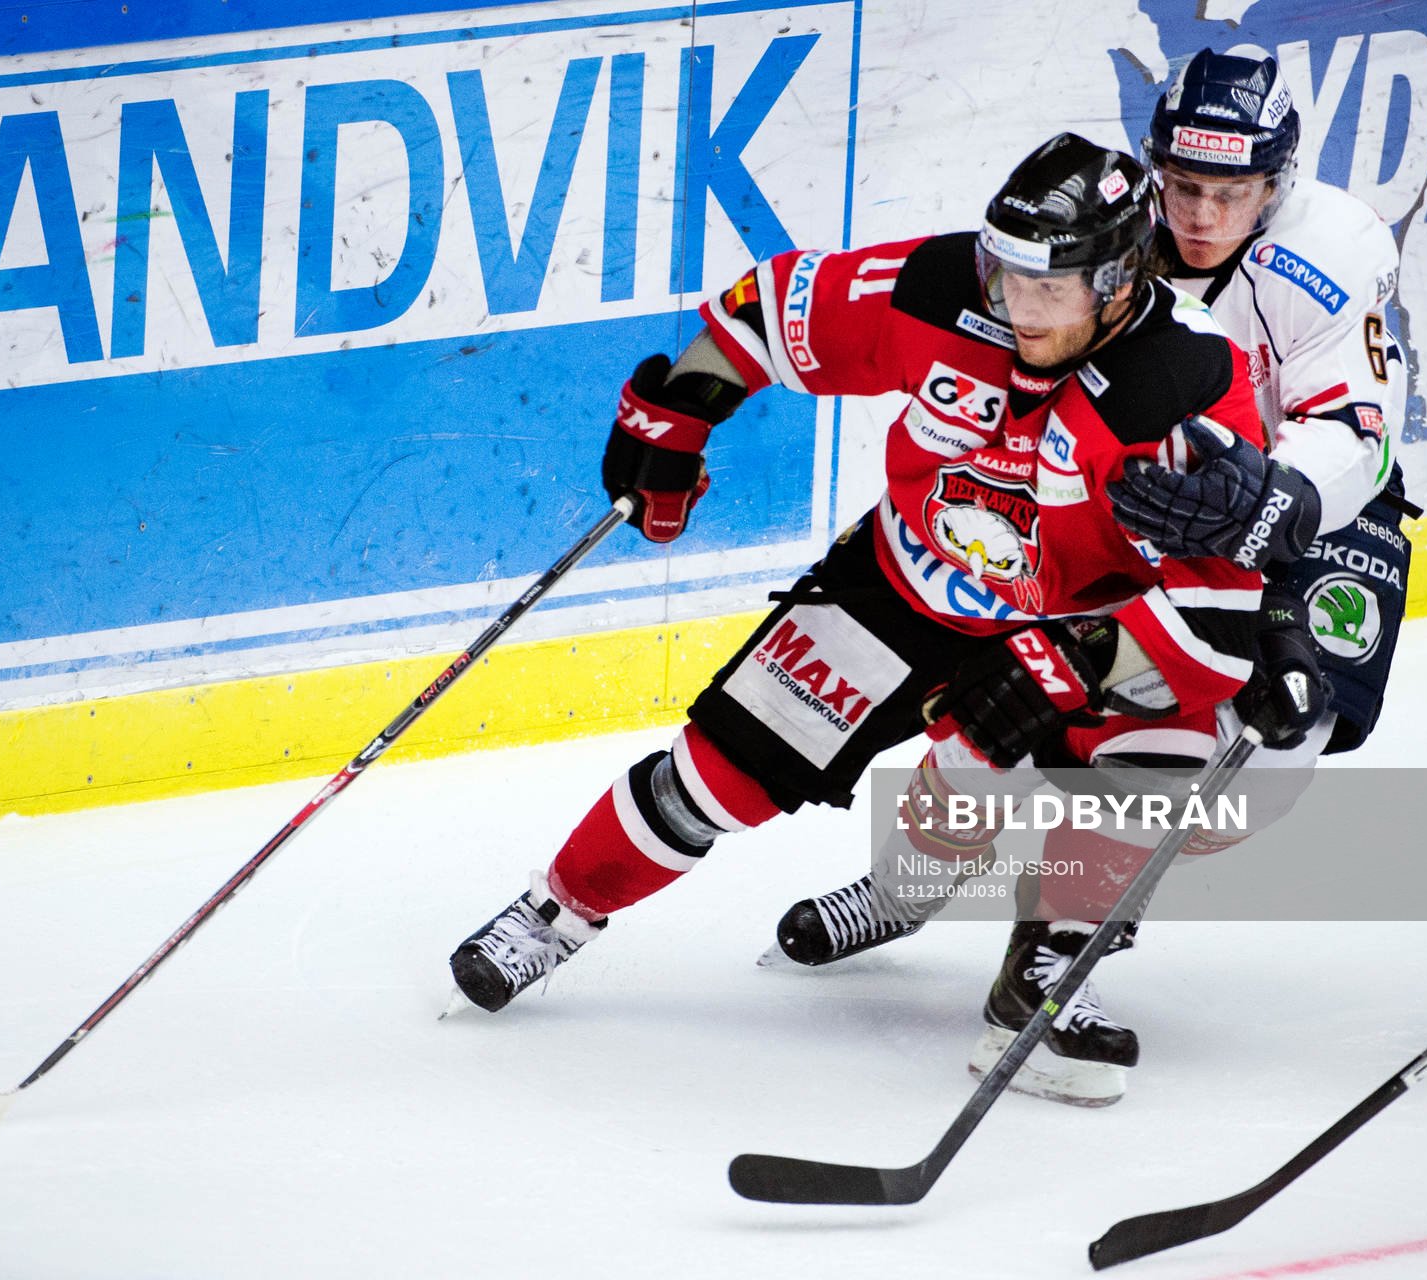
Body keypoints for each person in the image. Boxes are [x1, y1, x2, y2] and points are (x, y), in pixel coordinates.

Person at [447, 133, 1280, 1028]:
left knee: (1156, 762)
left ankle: (1044, 956)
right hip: (905, 579)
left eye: (1049, 289)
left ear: (1115, 281)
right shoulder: (943, 289)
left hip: (1077, 632)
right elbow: (772, 313)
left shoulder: (1188, 381)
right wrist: (679, 411)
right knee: (716, 776)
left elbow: (1217, 613)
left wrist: (1062, 670)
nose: (1019, 311)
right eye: (1005, 279)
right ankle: (556, 911)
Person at [769, 46, 1416, 1106]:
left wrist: (1274, 527)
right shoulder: (1099, 225)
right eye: (1185, 185)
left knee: (1272, 734)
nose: (1201, 217)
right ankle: (925, 895)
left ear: (1279, 183)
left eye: (1232, 192)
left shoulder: (1333, 250)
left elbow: (1357, 432)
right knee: (1007, 688)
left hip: (1295, 509)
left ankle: (1059, 915)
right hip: (1109, 502)